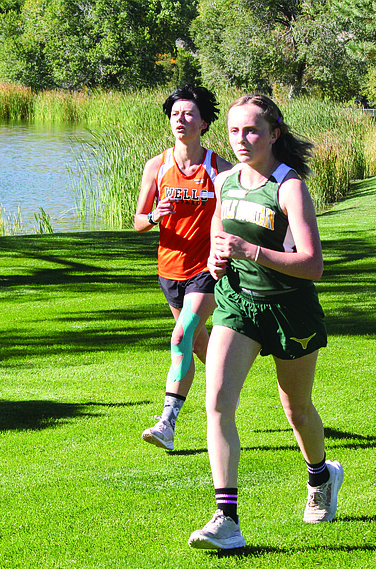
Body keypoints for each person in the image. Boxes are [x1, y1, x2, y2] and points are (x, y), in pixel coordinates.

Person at [188, 94, 343, 550]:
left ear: (274, 133)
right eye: (235, 131)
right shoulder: (226, 179)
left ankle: (321, 475)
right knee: (216, 401)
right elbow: (220, 235)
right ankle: (226, 518)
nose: (242, 139)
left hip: (289, 309)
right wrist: (218, 258)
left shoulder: (288, 186)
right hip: (237, 303)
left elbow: (313, 264)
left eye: (252, 130)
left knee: (295, 407)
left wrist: (253, 251)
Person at [134, 85, 231, 451]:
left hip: (205, 271)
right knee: (196, 343)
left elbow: (235, 210)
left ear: (204, 122)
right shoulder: (156, 166)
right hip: (168, 269)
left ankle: (167, 424)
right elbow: (138, 221)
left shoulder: (218, 167)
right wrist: (153, 216)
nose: (181, 120)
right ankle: (228, 390)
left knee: (180, 337)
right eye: (175, 114)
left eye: (189, 114)